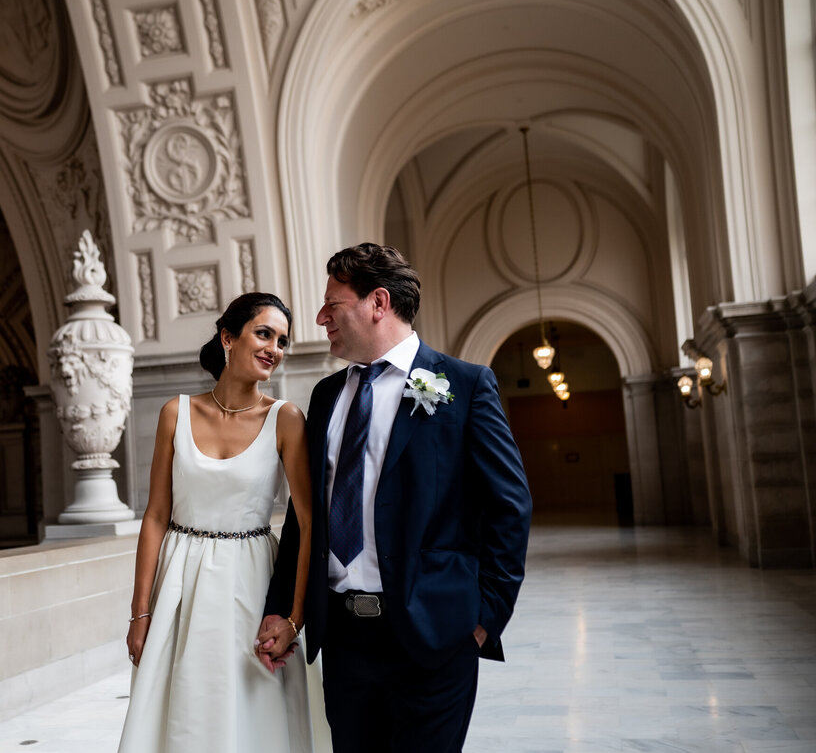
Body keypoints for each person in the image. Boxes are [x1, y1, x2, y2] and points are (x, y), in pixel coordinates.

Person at [260, 243, 533, 752]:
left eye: (332, 305)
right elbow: (305, 518)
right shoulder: (324, 397)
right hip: (343, 641)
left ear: (378, 303)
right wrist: (284, 608)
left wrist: (483, 619)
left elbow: (509, 506)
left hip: (435, 637)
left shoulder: (465, 386)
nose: (320, 318)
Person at [118, 292, 320, 753]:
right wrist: (140, 611)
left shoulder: (285, 419)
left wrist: (295, 615)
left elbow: (307, 522)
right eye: (264, 333)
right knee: (185, 708)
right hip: (181, 582)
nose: (275, 348)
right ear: (228, 337)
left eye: (283, 341)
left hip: (253, 578)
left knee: (254, 708)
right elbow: (154, 517)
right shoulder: (176, 412)